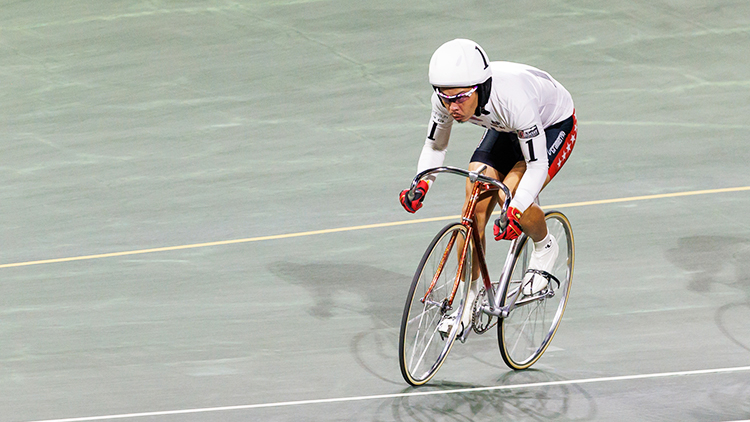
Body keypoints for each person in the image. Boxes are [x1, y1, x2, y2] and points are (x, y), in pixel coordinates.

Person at [399, 38, 578, 335]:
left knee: (511, 196)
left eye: (460, 98)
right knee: (473, 205)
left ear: (479, 88)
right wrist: (421, 184)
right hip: (505, 128)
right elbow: (434, 146)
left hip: (550, 125)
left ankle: (545, 246)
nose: (453, 107)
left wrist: (514, 209)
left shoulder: (513, 100)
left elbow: (536, 166)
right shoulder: (447, 99)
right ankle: (467, 303)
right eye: (445, 98)